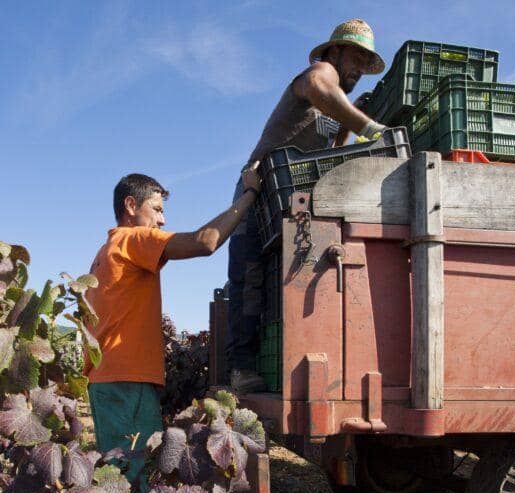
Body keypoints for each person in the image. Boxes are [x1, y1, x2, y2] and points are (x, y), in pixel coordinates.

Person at [226, 19, 388, 393]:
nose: (359, 68)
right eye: (356, 57)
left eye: (366, 63)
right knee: (249, 278)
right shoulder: (321, 72)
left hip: (293, 199)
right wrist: (368, 127)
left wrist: (348, 123)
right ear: (335, 51)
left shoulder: (335, 104)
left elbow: (330, 155)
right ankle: (240, 368)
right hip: (259, 190)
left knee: (282, 283)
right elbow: (317, 85)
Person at [85, 165, 261, 453]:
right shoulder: (132, 239)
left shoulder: (105, 251)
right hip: (127, 379)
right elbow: (205, 242)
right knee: (134, 468)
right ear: (131, 205)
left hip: (107, 379)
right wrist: (249, 194)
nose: (162, 219)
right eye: (156, 209)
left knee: (120, 466)